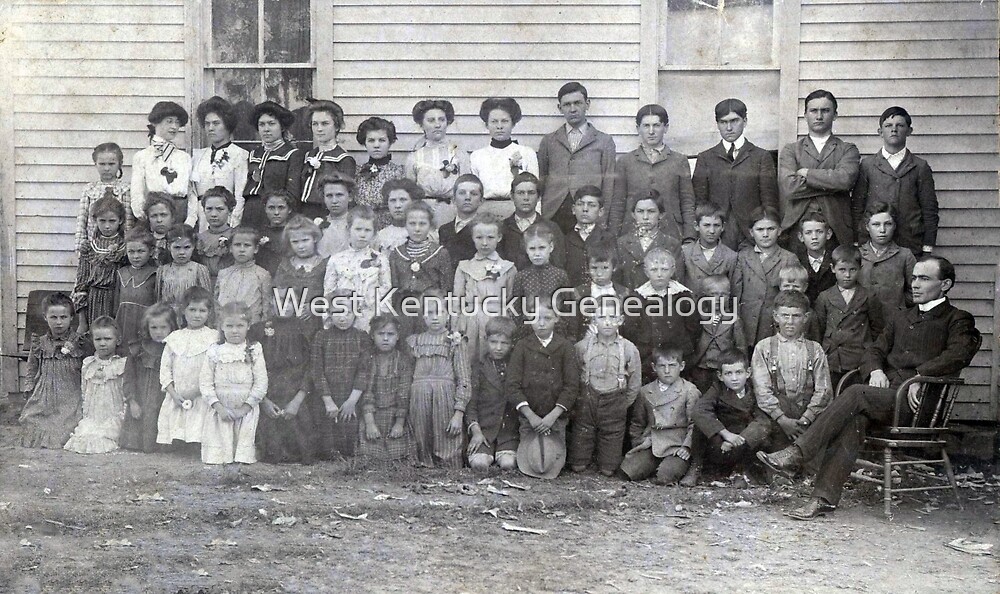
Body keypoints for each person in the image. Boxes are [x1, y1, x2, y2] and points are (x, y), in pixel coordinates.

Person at [758, 256, 981, 520]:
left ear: (944, 284)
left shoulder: (957, 319)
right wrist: (875, 370)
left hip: (919, 404)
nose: (916, 284)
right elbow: (873, 350)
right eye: (915, 278)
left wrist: (921, 376)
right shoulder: (902, 317)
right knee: (855, 419)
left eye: (924, 278)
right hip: (886, 400)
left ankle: (798, 452)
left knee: (854, 393)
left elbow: (958, 355)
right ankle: (822, 499)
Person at [750, 290, 832, 457]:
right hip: (777, 417)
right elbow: (762, 390)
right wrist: (782, 419)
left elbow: (824, 391)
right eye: (785, 315)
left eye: (796, 316)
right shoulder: (764, 347)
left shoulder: (815, 349)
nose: (790, 321)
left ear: (806, 317)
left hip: (806, 417)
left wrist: (806, 418)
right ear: (775, 316)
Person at [778, 90, 860, 251]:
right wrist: (830, 184)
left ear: (835, 115)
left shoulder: (847, 149)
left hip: (836, 228)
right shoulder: (791, 150)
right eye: (814, 111)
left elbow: (844, 180)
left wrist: (807, 173)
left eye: (825, 111)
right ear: (805, 115)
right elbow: (789, 187)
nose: (819, 116)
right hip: (798, 228)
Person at [692, 98, 779, 250]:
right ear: (717, 124)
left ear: (744, 121)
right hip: (719, 232)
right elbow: (700, 201)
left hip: (751, 233)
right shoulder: (706, 158)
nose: (729, 127)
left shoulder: (761, 156)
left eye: (734, 121)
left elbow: (769, 201)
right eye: (723, 122)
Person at [852, 106, 939, 258]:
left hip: (910, 241)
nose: (894, 130)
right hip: (873, 243)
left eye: (900, 125)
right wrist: (857, 241)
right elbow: (857, 207)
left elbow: (929, 210)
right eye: (888, 126)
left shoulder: (920, 166)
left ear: (909, 131)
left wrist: (927, 247)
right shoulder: (867, 165)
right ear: (880, 132)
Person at [507, 300, 580, 479]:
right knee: (533, 456)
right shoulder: (522, 346)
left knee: (550, 457)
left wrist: (553, 416)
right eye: (536, 318)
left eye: (547, 318)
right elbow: (512, 385)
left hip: (555, 417)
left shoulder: (565, 347)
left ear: (556, 318)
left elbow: (571, 386)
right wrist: (531, 416)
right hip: (529, 417)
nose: (541, 323)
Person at [570, 299, 643, 476]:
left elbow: (634, 382)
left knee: (609, 469)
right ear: (594, 321)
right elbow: (573, 376)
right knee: (577, 464)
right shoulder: (582, 347)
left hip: (614, 404)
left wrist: (622, 404)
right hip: (587, 403)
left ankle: (606, 460)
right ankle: (582, 458)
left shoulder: (628, 348)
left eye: (613, 317)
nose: (608, 322)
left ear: (621, 320)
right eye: (602, 317)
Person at [537, 82, 616, 233]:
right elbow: (542, 177)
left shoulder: (604, 141)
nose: (572, 109)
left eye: (577, 103)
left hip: (588, 210)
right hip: (555, 211)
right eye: (567, 104)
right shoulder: (549, 141)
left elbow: (608, 183)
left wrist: (602, 218)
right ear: (559, 108)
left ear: (587, 104)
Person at [609, 104, 695, 243]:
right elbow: (618, 203)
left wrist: (689, 236)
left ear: (665, 128)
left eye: (656, 125)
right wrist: (613, 236)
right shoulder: (625, 161)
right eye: (646, 126)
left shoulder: (679, 161)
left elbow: (687, 201)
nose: (651, 131)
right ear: (638, 129)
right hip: (632, 233)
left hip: (671, 232)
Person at [408, 289, 472, 469]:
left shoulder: (455, 341)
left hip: (445, 397)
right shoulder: (415, 341)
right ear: (423, 316)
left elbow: (464, 378)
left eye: (440, 312)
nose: (434, 317)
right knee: (421, 432)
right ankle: (423, 462)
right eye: (429, 313)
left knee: (446, 434)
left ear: (448, 315)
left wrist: (459, 412)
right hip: (419, 396)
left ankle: (447, 465)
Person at [19, 292, 92, 448]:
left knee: (66, 425)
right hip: (45, 393)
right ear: (45, 317)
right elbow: (32, 367)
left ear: (72, 317)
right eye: (53, 317)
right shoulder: (39, 342)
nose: (59, 322)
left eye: (63, 317)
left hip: (70, 393)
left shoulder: (79, 341)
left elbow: (88, 366)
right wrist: (29, 387)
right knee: (31, 419)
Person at [620, 347, 701, 485]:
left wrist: (687, 447)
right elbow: (637, 423)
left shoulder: (689, 391)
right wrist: (639, 442)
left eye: (672, 366)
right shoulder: (645, 391)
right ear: (654, 367)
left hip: (676, 445)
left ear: (681, 366)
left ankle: (677, 467)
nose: (667, 371)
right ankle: (651, 465)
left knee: (665, 477)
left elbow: (694, 424)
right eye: (662, 366)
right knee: (627, 472)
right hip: (652, 443)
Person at [199, 301, 267, 464]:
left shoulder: (254, 349)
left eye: (240, 325)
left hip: (245, 409)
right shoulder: (215, 350)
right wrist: (218, 407)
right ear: (221, 326)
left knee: (242, 450)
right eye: (229, 326)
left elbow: (261, 382)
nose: (235, 331)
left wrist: (245, 408)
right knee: (219, 455)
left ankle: (241, 459)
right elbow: (205, 382)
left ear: (248, 326)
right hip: (221, 408)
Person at [311, 289, 373, 460]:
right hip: (327, 396)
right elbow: (317, 371)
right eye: (337, 311)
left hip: (351, 396)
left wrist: (352, 401)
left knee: (349, 442)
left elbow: (364, 371)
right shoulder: (321, 337)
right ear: (329, 313)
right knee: (326, 445)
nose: (342, 317)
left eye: (347, 311)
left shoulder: (362, 338)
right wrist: (328, 400)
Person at [692, 348, 772, 480]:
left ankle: (742, 471)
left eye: (739, 372)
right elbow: (699, 410)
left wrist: (739, 439)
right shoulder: (717, 388)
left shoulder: (754, 390)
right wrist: (726, 434)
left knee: (763, 427)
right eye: (728, 373)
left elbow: (762, 420)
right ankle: (696, 466)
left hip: (744, 442)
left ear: (748, 373)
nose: (734, 378)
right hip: (721, 444)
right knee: (700, 421)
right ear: (720, 376)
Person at [814, 245, 886, 389]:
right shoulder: (825, 297)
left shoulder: (868, 296)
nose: (847, 275)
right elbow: (819, 329)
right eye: (842, 270)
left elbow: (877, 328)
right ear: (833, 269)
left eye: (852, 270)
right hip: (833, 357)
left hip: (857, 357)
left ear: (860, 268)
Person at [625, 248, 699, 383]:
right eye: (654, 270)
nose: (659, 274)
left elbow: (693, 328)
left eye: (664, 269)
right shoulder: (637, 298)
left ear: (672, 270)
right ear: (646, 272)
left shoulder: (683, 296)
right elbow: (630, 330)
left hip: (677, 356)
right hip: (648, 358)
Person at [157, 286, 217, 450]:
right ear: (183, 311)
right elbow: (165, 369)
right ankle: (177, 442)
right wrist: (173, 393)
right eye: (192, 309)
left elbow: (215, 370)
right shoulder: (175, 338)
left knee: (199, 422)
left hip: (201, 393)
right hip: (178, 394)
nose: (197, 315)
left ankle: (196, 444)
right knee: (178, 420)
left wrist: (199, 391)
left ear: (209, 313)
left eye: (202, 310)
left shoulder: (213, 337)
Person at [255, 312, 318, 465]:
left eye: (289, 300)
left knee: (300, 429)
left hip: (295, 391)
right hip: (269, 391)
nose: (284, 306)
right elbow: (254, 369)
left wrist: (297, 401)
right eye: (279, 299)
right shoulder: (260, 329)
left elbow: (310, 369)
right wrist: (264, 401)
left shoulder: (304, 329)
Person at [732, 207, 800, 346]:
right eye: (760, 230)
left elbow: (793, 298)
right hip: (748, 323)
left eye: (771, 229)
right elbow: (736, 293)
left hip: (773, 324)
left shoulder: (788, 258)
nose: (765, 234)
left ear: (779, 231)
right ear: (751, 232)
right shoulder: (743, 257)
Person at [453, 213, 516, 360]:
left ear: (499, 238)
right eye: (479, 237)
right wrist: (455, 326)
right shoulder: (464, 267)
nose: (485, 243)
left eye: (490, 237)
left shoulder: (507, 268)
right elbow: (457, 300)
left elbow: (512, 300)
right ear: (473, 238)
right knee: (470, 359)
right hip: (470, 321)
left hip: (498, 320)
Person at [387, 201, 454, 337]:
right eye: (412, 223)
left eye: (422, 224)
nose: (417, 228)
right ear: (405, 224)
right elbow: (393, 287)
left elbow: (446, 288)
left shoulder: (440, 253)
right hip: (403, 310)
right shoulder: (396, 253)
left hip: (430, 311)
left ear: (430, 225)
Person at [64, 317, 127, 454]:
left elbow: (124, 392)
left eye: (107, 339)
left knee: (105, 435)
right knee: (85, 435)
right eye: (98, 339)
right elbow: (84, 390)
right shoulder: (88, 364)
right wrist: (85, 414)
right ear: (92, 341)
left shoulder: (121, 364)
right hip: (93, 414)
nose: (103, 343)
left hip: (113, 412)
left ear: (118, 340)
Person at [323, 206, 392, 332]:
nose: (362, 234)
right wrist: (328, 321)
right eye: (358, 229)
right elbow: (329, 292)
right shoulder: (336, 259)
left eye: (367, 230)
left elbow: (386, 291)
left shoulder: (380, 259)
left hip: (370, 320)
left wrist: (382, 322)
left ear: (374, 233)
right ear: (349, 230)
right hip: (343, 319)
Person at [358, 315, 416, 464]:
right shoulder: (369, 359)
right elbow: (367, 393)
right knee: (370, 456)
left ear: (397, 337)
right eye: (380, 334)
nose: (385, 338)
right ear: (372, 335)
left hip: (395, 415)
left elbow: (404, 393)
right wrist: (370, 423)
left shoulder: (403, 360)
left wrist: (399, 423)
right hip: (373, 414)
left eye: (390, 334)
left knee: (399, 456)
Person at [121, 303, 176, 453]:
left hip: (163, 398)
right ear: (147, 327)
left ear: (172, 327)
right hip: (141, 399)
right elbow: (129, 378)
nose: (159, 332)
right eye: (154, 328)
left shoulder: (175, 349)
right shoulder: (138, 349)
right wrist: (132, 401)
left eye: (164, 327)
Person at [470, 97, 539, 219]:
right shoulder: (477, 156)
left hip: (518, 211)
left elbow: (536, 191)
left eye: (505, 121)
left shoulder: (527, 153)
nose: (499, 126)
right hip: (486, 211)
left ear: (513, 123)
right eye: (494, 121)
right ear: (486, 124)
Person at [405, 99, 470, 225]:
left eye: (441, 120)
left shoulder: (459, 153)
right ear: (421, 124)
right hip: (424, 213)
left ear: (447, 122)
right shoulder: (414, 157)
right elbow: (410, 192)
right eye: (431, 120)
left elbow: (466, 186)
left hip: (454, 210)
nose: (437, 125)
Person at [466, 316, 519, 471]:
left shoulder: (516, 366)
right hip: (484, 430)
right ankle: (486, 451)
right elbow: (471, 405)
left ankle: (504, 453)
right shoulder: (479, 367)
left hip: (508, 432)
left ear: (512, 344)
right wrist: (476, 432)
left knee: (508, 464)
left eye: (504, 343)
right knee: (479, 464)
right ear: (486, 340)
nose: (498, 347)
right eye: (494, 342)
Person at [132, 101, 195, 227]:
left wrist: (191, 219)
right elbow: (137, 191)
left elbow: (191, 191)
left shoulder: (184, 157)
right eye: (169, 121)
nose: (174, 127)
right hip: (155, 214)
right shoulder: (143, 156)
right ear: (155, 122)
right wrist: (142, 215)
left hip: (179, 213)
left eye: (177, 122)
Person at [191, 96, 249, 230]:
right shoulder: (198, 156)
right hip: (201, 218)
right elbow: (193, 193)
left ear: (227, 125)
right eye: (207, 124)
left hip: (226, 218)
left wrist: (233, 223)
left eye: (216, 123)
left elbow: (240, 194)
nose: (210, 128)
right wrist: (192, 219)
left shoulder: (240, 155)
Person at [243, 101, 302, 229]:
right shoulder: (254, 154)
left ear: (282, 127)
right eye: (262, 124)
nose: (266, 129)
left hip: (275, 215)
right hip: (250, 214)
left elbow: (292, 194)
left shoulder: (292, 154)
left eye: (271, 124)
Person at [73, 195, 128, 333]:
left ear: (120, 220)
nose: (107, 226)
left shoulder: (126, 247)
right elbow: (82, 283)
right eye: (102, 221)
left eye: (112, 221)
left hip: (117, 299)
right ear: (95, 221)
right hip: (94, 300)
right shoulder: (89, 247)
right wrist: (82, 321)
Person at [688, 275, 748, 394]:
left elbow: (741, 347)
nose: (717, 299)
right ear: (704, 296)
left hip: (724, 368)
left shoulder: (733, 319)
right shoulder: (697, 317)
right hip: (701, 368)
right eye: (713, 294)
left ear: (729, 296)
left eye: (723, 295)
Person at [270, 215, 329, 337]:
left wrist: (314, 306)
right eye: (295, 242)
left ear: (314, 239)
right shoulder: (285, 265)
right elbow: (277, 292)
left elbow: (331, 293)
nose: (301, 246)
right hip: (289, 322)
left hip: (316, 322)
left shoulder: (325, 265)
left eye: (305, 240)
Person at [615, 190, 684, 291]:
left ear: (661, 215)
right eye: (640, 211)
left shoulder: (672, 244)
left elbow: (677, 280)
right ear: (633, 214)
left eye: (651, 211)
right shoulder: (622, 243)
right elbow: (617, 280)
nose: (645, 217)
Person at [498, 172, 567, 273]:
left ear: (539, 197)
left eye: (531, 193)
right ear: (512, 197)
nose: (526, 198)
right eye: (521, 193)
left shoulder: (551, 228)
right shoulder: (502, 227)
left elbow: (559, 263)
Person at [300, 100, 356, 221]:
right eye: (315, 124)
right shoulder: (309, 155)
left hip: (326, 214)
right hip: (304, 213)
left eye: (325, 124)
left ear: (336, 126)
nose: (319, 129)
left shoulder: (343, 159)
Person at [510, 223, 571, 330]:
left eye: (542, 248)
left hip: (556, 330)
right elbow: (517, 309)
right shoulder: (521, 277)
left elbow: (568, 307)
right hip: (528, 331)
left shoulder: (560, 275)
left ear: (551, 247)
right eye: (532, 249)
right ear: (526, 249)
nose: (537, 253)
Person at [859, 201, 917, 310]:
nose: (882, 230)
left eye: (888, 224)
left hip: (895, 319)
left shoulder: (904, 255)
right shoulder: (857, 254)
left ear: (894, 226)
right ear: (867, 227)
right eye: (876, 224)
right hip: (863, 320)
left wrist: (898, 305)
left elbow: (914, 290)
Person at [76, 142, 132, 253]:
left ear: (119, 164)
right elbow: (82, 221)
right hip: (94, 250)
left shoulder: (126, 190)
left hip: (119, 249)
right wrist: (81, 248)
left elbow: (128, 223)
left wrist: (127, 248)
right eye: (102, 164)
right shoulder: (89, 190)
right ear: (95, 164)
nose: (106, 168)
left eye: (111, 164)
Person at [570, 243, 631, 341]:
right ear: (587, 269)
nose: (599, 273)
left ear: (614, 268)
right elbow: (573, 326)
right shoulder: (579, 293)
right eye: (594, 268)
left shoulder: (624, 293)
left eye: (605, 268)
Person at [354, 116, 405, 227]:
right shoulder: (357, 172)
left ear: (390, 143)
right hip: (363, 229)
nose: (376, 145)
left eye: (382, 140)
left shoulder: (399, 173)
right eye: (371, 140)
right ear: (365, 143)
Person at [216, 227, 272, 325]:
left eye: (247, 245)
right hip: (226, 326)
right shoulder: (223, 274)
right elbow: (216, 304)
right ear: (230, 248)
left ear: (256, 249)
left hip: (252, 327)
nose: (242, 249)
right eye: (237, 245)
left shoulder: (262, 274)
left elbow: (266, 307)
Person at [680, 202, 737, 298]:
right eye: (706, 225)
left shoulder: (730, 256)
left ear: (723, 227)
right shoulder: (685, 252)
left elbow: (733, 292)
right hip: (691, 308)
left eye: (716, 225)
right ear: (696, 226)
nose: (712, 231)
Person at [115, 228, 159, 347]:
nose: (136, 256)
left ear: (151, 251)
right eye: (131, 251)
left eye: (141, 251)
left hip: (144, 322)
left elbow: (157, 302)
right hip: (123, 323)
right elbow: (115, 304)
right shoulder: (121, 273)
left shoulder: (155, 273)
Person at [156, 224, 212, 317]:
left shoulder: (199, 269)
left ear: (193, 246)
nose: (182, 252)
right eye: (177, 247)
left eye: (186, 247)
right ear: (169, 246)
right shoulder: (162, 270)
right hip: (168, 317)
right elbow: (158, 299)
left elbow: (206, 301)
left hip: (192, 318)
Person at [563, 186, 613, 287]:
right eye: (580, 204)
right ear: (573, 209)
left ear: (600, 211)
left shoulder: (608, 239)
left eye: (591, 205)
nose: (585, 209)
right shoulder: (565, 239)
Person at [438, 174, 485, 266]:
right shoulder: (444, 230)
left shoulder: (486, 229)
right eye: (462, 193)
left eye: (473, 194)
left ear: (481, 200)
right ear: (454, 199)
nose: (467, 198)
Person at [195, 186, 236, 280]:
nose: (213, 214)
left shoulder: (235, 236)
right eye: (209, 209)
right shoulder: (199, 238)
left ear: (230, 211)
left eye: (219, 209)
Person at [376, 178, 428, 252]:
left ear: (413, 201)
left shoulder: (422, 233)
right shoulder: (381, 236)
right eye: (393, 200)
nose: (397, 205)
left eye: (403, 200)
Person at [796, 213, 836, 304]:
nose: (814, 237)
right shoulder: (796, 260)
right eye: (808, 233)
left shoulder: (835, 259)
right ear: (801, 237)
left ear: (828, 234)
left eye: (819, 232)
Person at [316, 173, 355, 258]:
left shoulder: (357, 224)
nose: (334, 201)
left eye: (339, 195)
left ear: (350, 196)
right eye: (329, 196)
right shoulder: (317, 225)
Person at [257, 189, 294, 275]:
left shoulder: (294, 234)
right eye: (271, 208)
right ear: (265, 209)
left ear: (289, 210)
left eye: (281, 208)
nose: (276, 212)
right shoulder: (259, 234)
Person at [143, 193, 176, 266]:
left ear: (172, 217)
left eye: (163, 215)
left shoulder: (178, 239)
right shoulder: (145, 240)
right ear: (148, 218)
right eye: (154, 216)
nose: (159, 220)